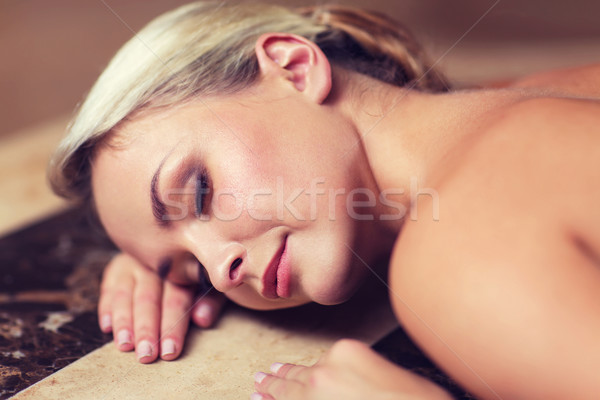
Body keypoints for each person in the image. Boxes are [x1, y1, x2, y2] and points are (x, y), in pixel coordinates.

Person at [48, 2, 600, 399]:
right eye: (194, 271)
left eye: (198, 190)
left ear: (294, 67)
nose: (222, 269)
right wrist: (154, 248)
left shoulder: (450, 260)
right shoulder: (546, 94)